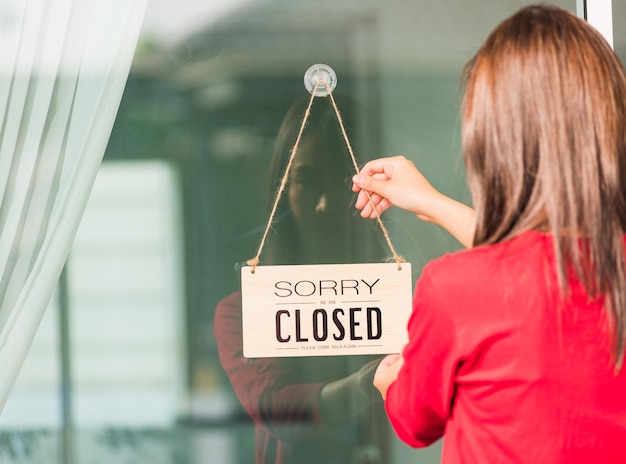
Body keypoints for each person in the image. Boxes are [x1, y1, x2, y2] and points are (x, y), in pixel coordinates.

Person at [351, 4, 626, 463]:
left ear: (492, 140)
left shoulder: (454, 288)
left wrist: (389, 382)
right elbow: (550, 264)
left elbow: (414, 420)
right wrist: (434, 205)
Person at [214, 96, 388, 464]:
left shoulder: (404, 296)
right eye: (308, 181)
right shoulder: (242, 314)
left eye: (345, 181)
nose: (325, 204)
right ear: (284, 189)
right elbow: (280, 410)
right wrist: (370, 384)